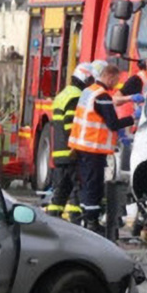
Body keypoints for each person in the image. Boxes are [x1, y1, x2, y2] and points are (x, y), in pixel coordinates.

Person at [68, 65, 135, 234]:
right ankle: (92, 223)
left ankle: (85, 218)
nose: (117, 84)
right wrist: (132, 119)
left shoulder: (88, 91)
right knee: (94, 186)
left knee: (86, 184)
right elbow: (112, 123)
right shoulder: (102, 96)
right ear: (110, 77)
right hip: (93, 148)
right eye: (117, 80)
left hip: (82, 146)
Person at [44, 63, 94, 224]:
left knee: (60, 191)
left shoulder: (63, 94)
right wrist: (78, 148)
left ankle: (51, 220)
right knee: (76, 190)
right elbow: (71, 125)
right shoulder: (76, 96)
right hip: (71, 152)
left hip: (59, 153)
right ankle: (75, 222)